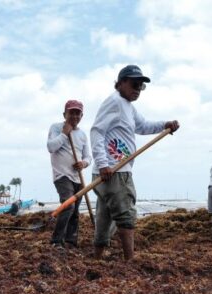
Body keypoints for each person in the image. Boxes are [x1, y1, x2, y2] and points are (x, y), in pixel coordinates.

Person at [90, 64, 180, 259]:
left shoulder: (128, 106)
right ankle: (130, 259)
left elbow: (143, 126)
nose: (138, 89)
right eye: (134, 84)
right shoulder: (114, 101)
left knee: (104, 217)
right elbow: (97, 131)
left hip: (111, 170)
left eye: (141, 86)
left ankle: (97, 257)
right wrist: (104, 163)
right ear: (121, 83)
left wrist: (165, 125)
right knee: (126, 214)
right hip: (115, 170)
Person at [47, 99, 92, 248]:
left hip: (77, 178)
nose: (74, 116)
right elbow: (51, 147)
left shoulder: (82, 135)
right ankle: (56, 241)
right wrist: (64, 134)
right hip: (62, 175)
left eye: (77, 113)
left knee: (75, 211)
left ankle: (71, 241)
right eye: (71, 112)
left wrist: (83, 163)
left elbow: (88, 157)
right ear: (64, 114)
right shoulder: (56, 128)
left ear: (81, 116)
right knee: (68, 206)